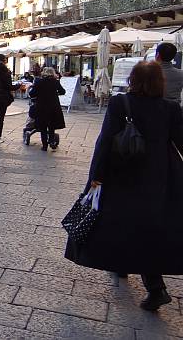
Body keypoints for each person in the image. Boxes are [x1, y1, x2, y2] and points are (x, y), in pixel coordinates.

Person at [65, 61, 183, 312]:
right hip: (161, 174)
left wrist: (95, 176)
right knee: (148, 226)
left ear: (133, 80)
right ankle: (144, 279)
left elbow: (105, 140)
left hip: (124, 171)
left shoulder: (121, 103)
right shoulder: (171, 108)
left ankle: (153, 286)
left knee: (121, 222)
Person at [29, 67, 66, 151]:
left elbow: (32, 93)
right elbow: (63, 91)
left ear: (44, 73)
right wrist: (55, 93)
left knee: (43, 127)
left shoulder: (39, 82)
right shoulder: (55, 82)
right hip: (54, 106)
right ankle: (52, 141)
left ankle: (44, 146)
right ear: (53, 73)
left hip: (42, 107)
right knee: (51, 126)